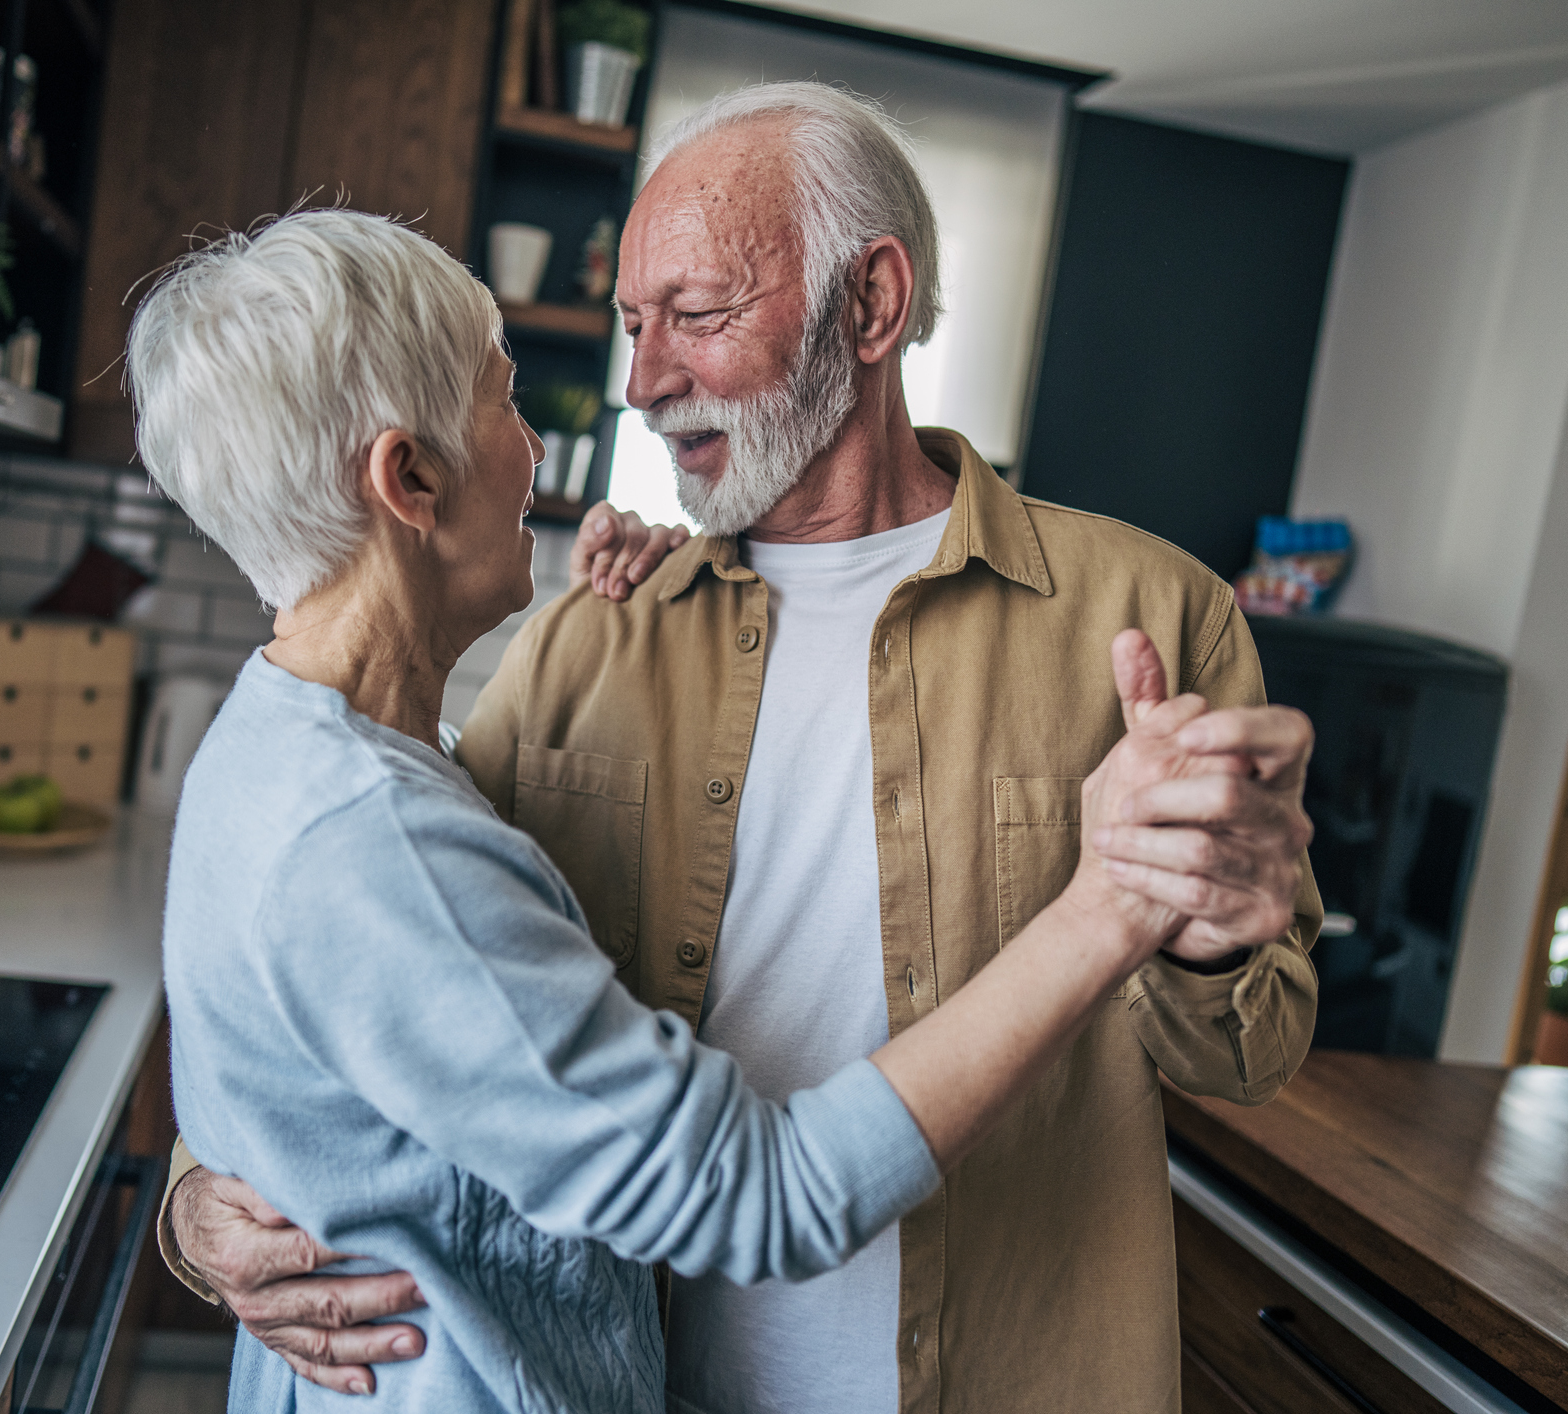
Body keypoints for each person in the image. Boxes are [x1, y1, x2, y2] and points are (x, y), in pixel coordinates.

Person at [162, 84, 1321, 1414]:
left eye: (697, 315)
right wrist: (209, 1194)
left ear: (871, 306)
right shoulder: (587, 636)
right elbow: (382, 977)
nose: (643, 380)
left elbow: (1255, 1049)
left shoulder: (1150, 618)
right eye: (631, 325)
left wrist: (1208, 930)